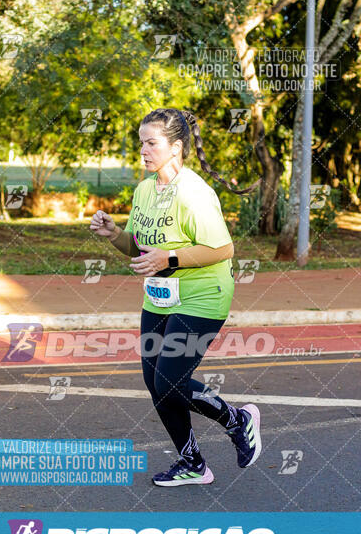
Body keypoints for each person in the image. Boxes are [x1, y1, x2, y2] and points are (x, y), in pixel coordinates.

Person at [90, 108, 262, 487]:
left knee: (170, 381)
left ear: (176, 147)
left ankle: (238, 420)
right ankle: (192, 463)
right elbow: (138, 248)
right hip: (159, 299)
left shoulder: (194, 192)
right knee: (156, 382)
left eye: (152, 143)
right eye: (141, 143)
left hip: (202, 297)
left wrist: (169, 257)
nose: (144, 151)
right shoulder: (145, 190)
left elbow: (222, 249)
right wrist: (114, 232)